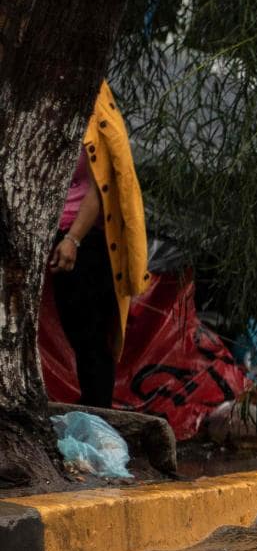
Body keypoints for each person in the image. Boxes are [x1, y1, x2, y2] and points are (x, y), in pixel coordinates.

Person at [48, 80, 150, 408]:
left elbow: (100, 188)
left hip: (85, 241)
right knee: (73, 333)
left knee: (90, 340)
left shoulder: (93, 115)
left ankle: (98, 418)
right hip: (47, 236)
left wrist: (73, 239)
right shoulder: (36, 111)